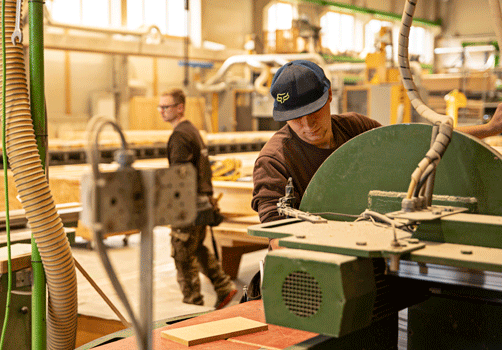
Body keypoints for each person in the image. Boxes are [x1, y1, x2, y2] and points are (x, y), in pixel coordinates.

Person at [251, 60, 502, 250]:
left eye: (314, 113)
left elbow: (417, 143)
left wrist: (489, 129)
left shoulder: (354, 128)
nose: (307, 125)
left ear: (328, 97)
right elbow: (276, 237)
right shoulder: (274, 161)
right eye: (295, 119)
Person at [159, 88, 237, 309]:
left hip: (188, 206)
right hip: (203, 203)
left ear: (180, 107)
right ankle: (223, 287)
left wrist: (170, 206)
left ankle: (192, 305)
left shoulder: (179, 136)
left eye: (166, 107)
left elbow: (179, 177)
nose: (161, 111)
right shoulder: (192, 131)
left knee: (182, 255)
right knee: (197, 248)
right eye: (160, 107)